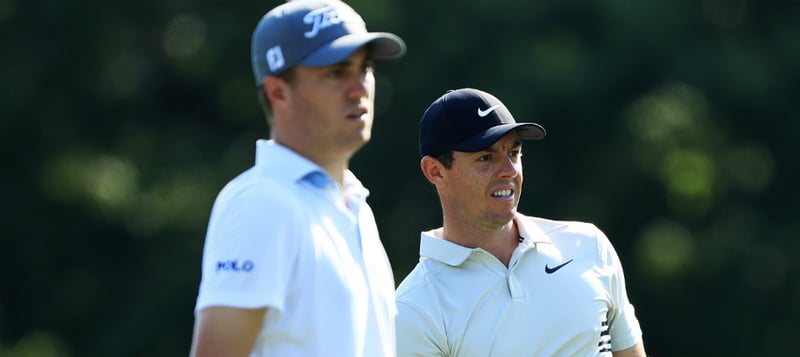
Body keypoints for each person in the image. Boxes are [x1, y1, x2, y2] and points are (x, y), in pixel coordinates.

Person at [189, 1, 406, 356]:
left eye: (364, 68)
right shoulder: (261, 202)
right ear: (278, 92)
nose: (359, 88)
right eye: (336, 72)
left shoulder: (356, 206)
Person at [395, 88, 646, 357]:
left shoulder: (588, 245)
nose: (510, 171)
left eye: (513, 153)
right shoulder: (414, 309)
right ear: (435, 171)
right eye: (486, 157)